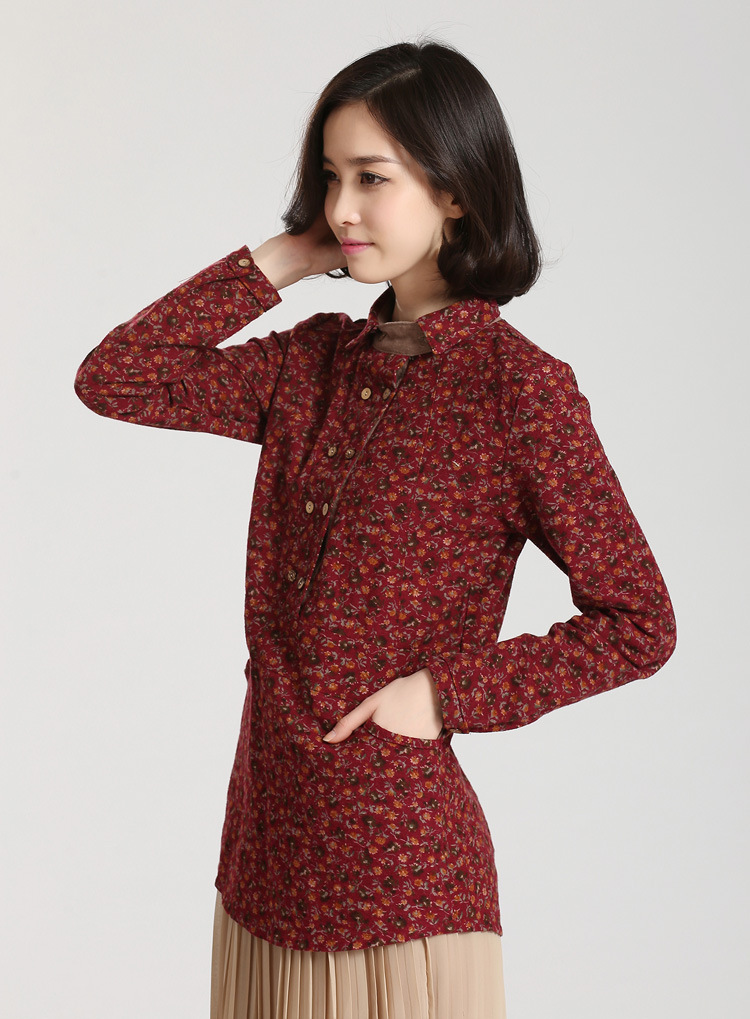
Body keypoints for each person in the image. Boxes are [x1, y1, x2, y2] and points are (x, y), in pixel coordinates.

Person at [74, 38, 677, 1019]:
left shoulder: (517, 390)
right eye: (329, 177)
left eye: (371, 178)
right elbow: (117, 378)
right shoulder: (310, 364)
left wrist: (444, 693)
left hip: (404, 881)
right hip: (266, 860)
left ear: (455, 191)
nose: (342, 208)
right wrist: (283, 260)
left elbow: (639, 621)